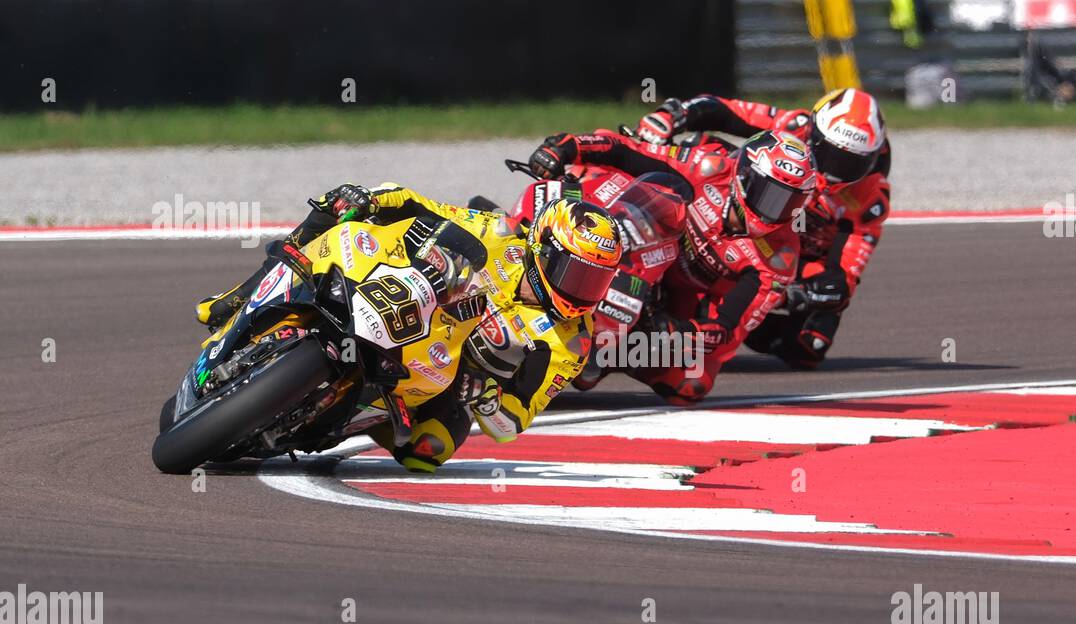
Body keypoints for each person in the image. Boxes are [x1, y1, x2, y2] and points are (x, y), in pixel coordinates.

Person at [196, 183, 621, 471]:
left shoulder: (572, 342)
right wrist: (372, 200)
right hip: (406, 296)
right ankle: (236, 298)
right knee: (338, 214)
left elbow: (516, 421)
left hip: (446, 372)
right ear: (544, 248)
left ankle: (337, 417)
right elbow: (423, 207)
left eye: (595, 281)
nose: (582, 291)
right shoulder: (499, 232)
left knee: (428, 452)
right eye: (574, 272)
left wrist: (488, 399)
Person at [527, 127, 816, 402]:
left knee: (691, 382)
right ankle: (531, 230)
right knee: (602, 178)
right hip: (635, 239)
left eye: (792, 202)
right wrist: (566, 147)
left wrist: (677, 332)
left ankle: (604, 354)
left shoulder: (779, 258)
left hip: (677, 299)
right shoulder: (708, 166)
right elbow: (627, 150)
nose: (777, 211)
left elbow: (727, 331)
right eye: (772, 195)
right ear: (744, 176)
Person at [635, 89, 890, 368]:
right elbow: (726, 110)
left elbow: (843, 277)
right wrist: (672, 116)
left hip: (788, 260)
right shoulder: (796, 126)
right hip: (742, 220)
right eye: (828, 154)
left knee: (807, 345)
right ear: (814, 134)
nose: (833, 172)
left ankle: (722, 321)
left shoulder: (870, 199)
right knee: (699, 148)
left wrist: (800, 291)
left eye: (851, 164)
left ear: (871, 159)